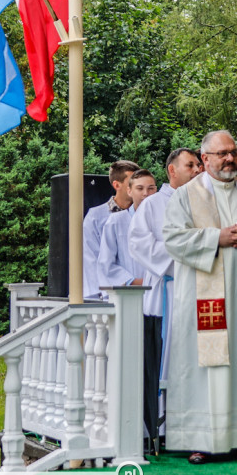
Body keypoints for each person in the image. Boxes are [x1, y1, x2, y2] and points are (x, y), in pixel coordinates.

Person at [162, 130, 237, 464]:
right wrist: (219, 238)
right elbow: (173, 238)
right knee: (209, 368)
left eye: (233, 152)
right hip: (206, 302)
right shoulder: (186, 195)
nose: (229, 159)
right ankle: (203, 439)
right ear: (205, 159)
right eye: (221, 154)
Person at [128, 148, 203, 450]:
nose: (198, 169)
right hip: (168, 291)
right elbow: (140, 244)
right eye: (191, 165)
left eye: (199, 164)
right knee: (166, 356)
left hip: (202, 290)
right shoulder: (153, 205)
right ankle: (161, 424)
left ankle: (196, 421)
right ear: (172, 170)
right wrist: (184, 261)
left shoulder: (206, 201)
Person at [98, 169, 159, 443]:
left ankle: (160, 427)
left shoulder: (165, 221)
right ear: (129, 192)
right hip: (132, 299)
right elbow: (106, 266)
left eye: (152, 188)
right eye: (141, 189)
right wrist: (135, 281)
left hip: (161, 301)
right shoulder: (116, 223)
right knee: (133, 367)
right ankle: (136, 430)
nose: (146, 194)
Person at [82, 160, 139, 300]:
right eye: (131, 182)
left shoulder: (144, 213)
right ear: (117, 185)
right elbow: (91, 260)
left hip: (144, 290)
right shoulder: (96, 217)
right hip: (110, 294)